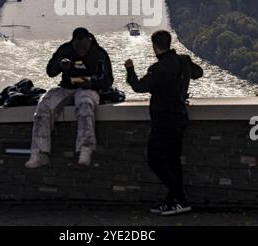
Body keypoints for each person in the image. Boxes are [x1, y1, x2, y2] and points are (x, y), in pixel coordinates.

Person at [124, 30, 203, 216]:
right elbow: (198, 73)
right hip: (180, 116)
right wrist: (187, 66)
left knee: (155, 159)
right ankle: (172, 201)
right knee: (173, 160)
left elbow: (139, 86)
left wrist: (130, 69)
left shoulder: (159, 68)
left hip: (163, 120)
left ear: (154, 46)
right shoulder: (182, 60)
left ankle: (180, 198)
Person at [26, 27, 114, 169]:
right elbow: (50, 71)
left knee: (85, 105)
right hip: (67, 87)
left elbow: (108, 80)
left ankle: (85, 148)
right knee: (43, 106)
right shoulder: (65, 50)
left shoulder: (99, 54)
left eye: (84, 48)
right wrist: (60, 65)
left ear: (89, 41)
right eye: (78, 48)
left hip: (88, 88)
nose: (81, 51)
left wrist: (92, 83)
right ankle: (40, 152)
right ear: (73, 43)